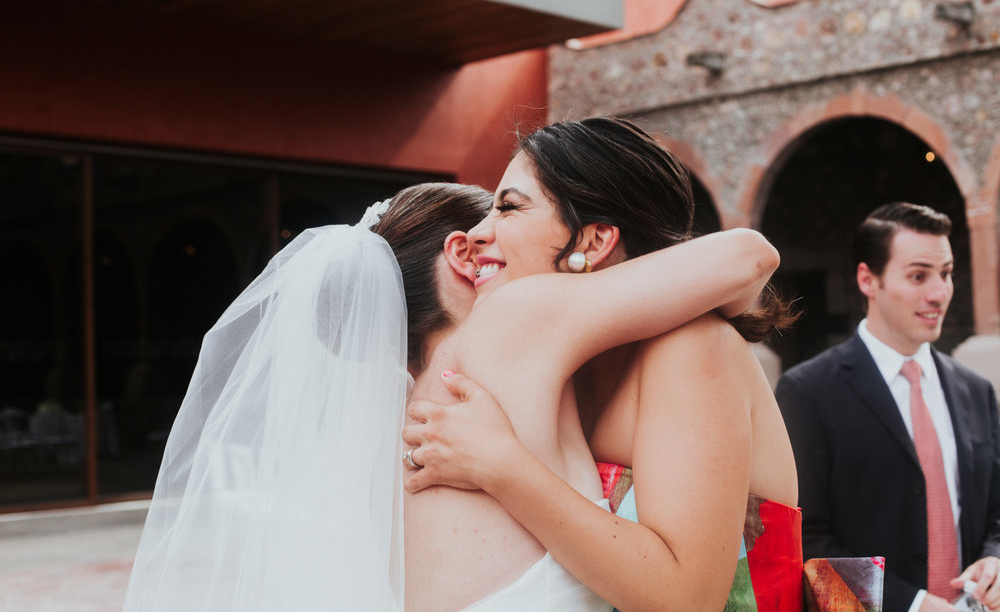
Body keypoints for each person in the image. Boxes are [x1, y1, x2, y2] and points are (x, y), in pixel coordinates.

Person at [122, 178, 779, 612]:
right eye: (499, 211)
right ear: (469, 257)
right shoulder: (511, 338)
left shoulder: (390, 433)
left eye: (510, 205)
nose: (499, 227)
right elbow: (746, 256)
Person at [402, 117, 803, 611]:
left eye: (507, 208)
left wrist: (503, 467)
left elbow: (688, 598)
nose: (477, 233)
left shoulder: (691, 348)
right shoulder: (566, 373)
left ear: (592, 242)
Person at [774, 202, 1000, 612]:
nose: (939, 293)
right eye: (918, 276)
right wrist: (910, 604)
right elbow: (804, 541)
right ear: (867, 279)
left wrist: (996, 559)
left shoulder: (977, 390)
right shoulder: (806, 392)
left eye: (946, 274)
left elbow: (997, 513)